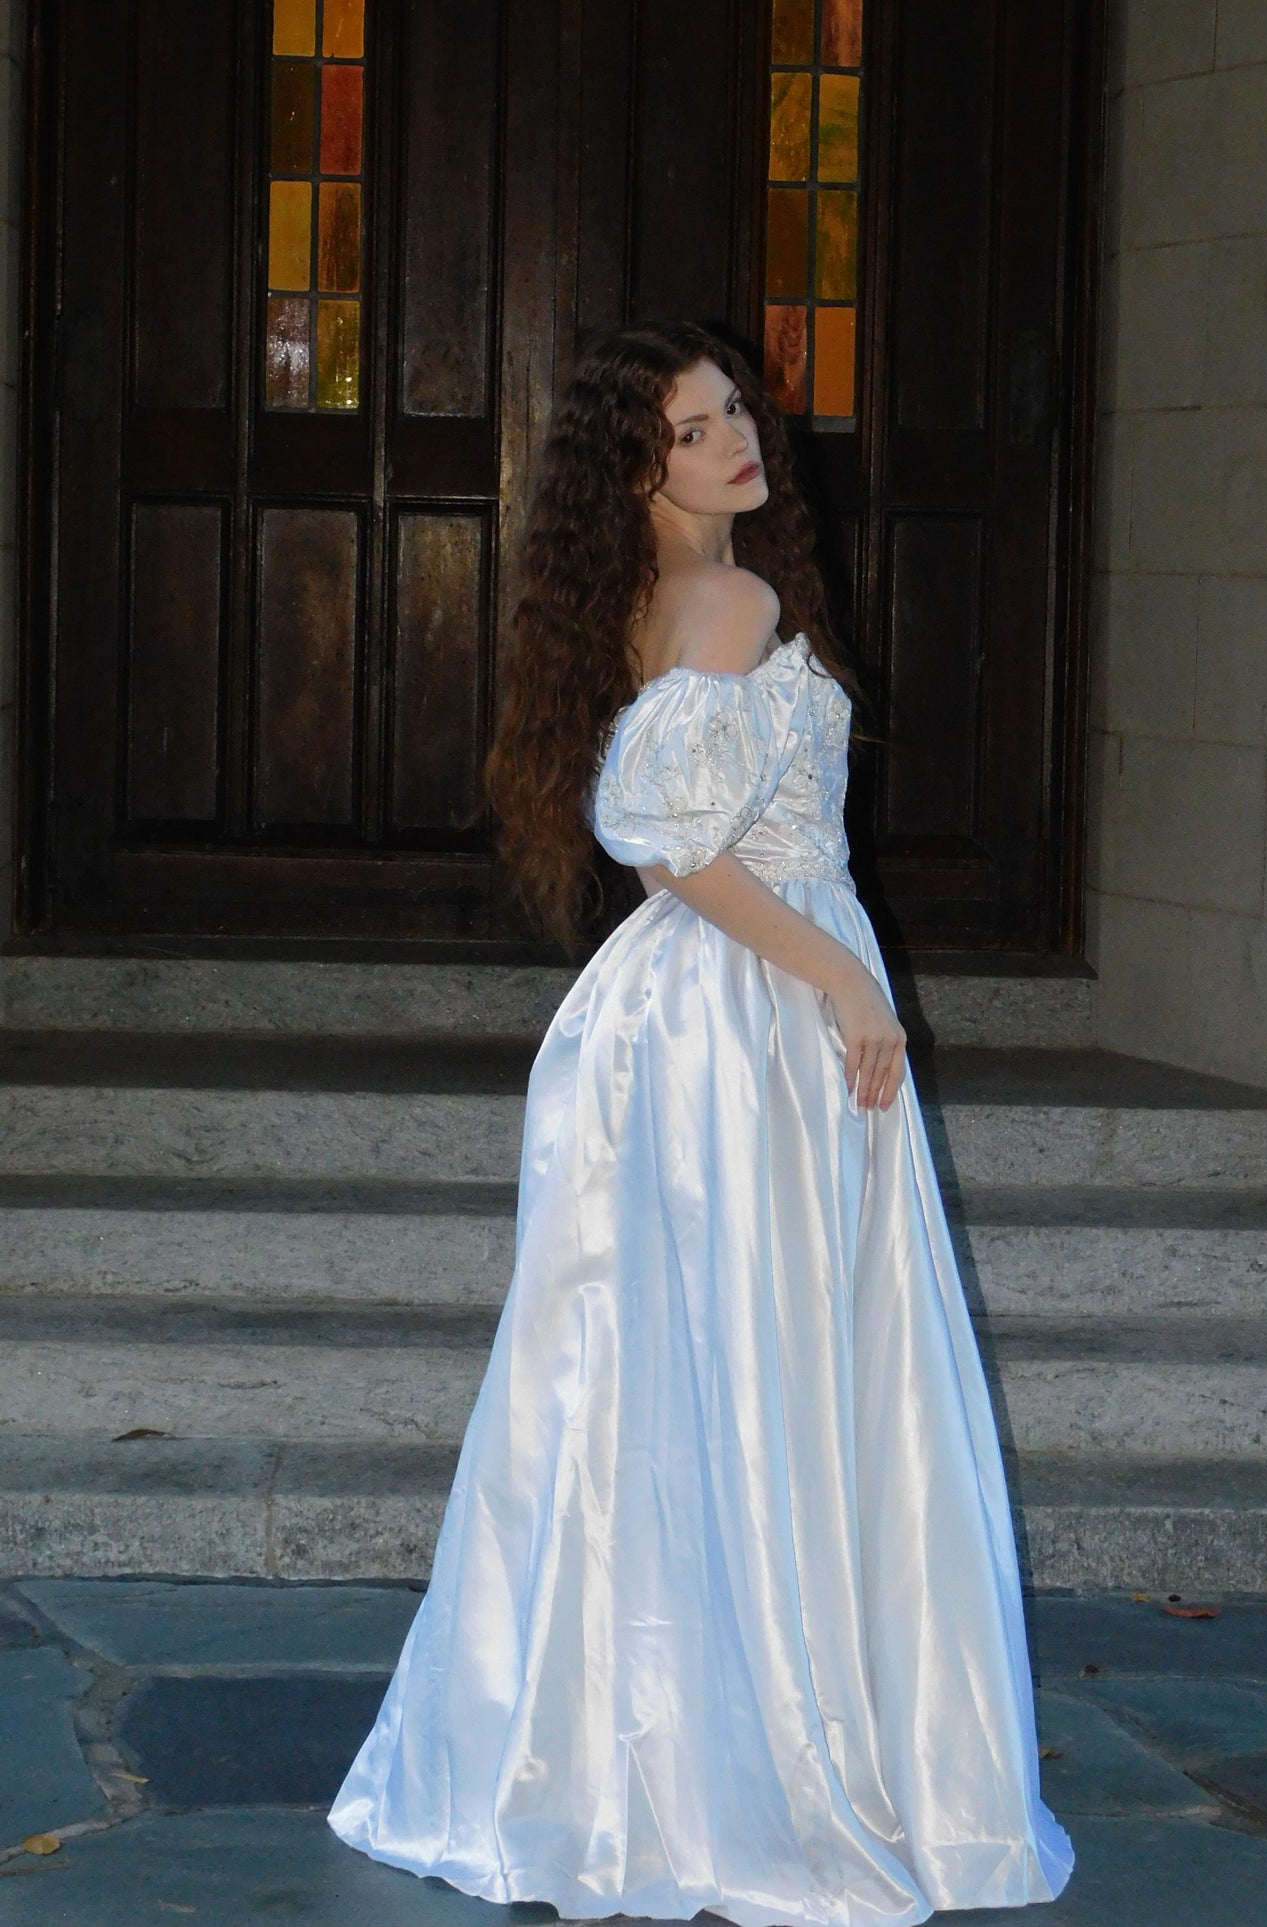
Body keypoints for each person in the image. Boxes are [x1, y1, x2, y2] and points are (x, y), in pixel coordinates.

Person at [328, 320, 1074, 1923]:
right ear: (635, 467)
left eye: (735, 409)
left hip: (708, 1010)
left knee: (683, 1381)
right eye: (690, 427)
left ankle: (638, 1765)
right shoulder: (727, 606)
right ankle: (748, 1767)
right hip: (748, 1019)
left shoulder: (676, 597)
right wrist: (846, 982)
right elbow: (663, 837)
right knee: (765, 1368)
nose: (735, 438)